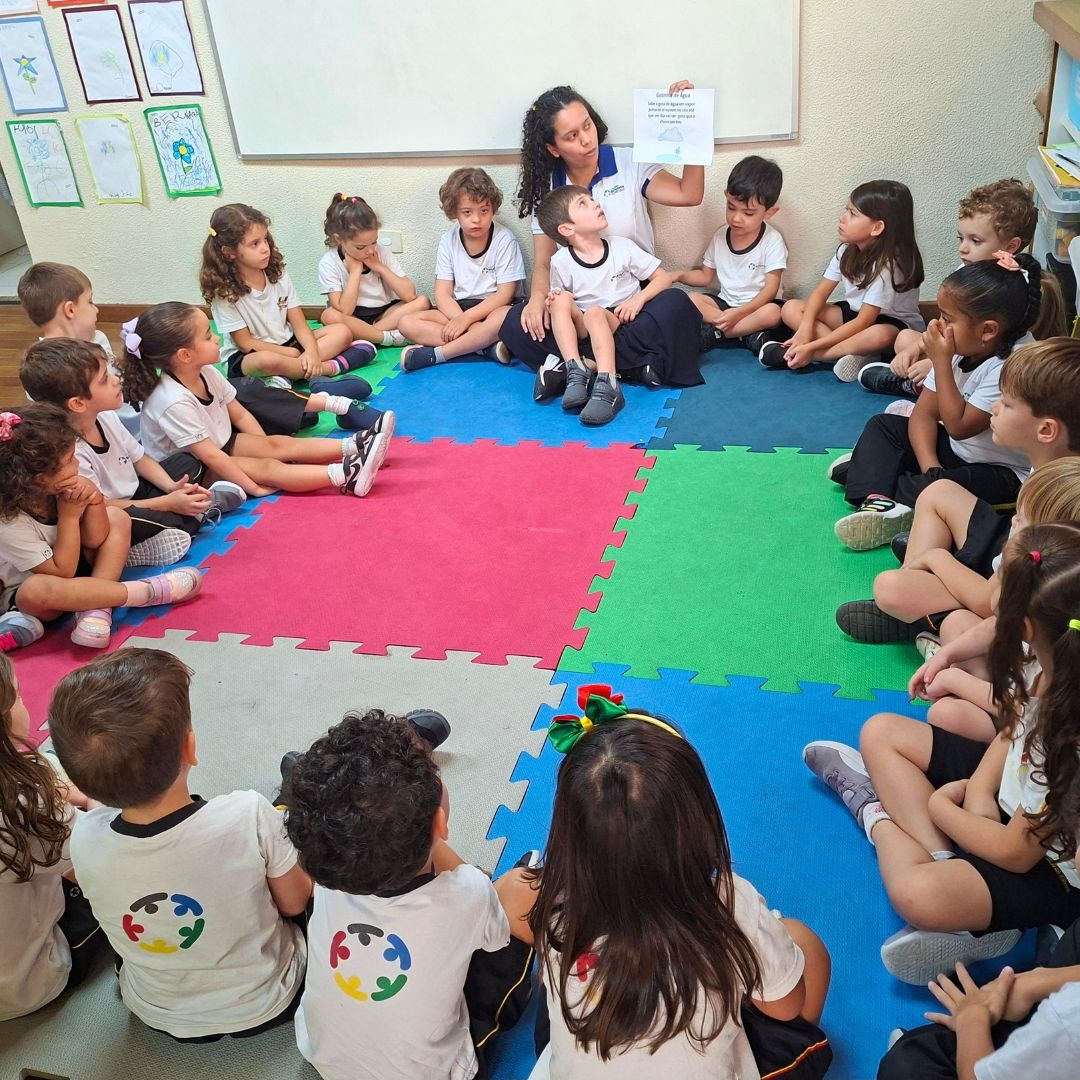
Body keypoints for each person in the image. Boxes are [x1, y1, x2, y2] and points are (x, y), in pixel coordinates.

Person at [803, 522, 1080, 986]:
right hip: (1013, 804)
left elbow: (1016, 854)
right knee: (881, 731)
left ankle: (876, 814)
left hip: (1048, 868)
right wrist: (981, 790)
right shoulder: (1051, 658)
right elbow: (1014, 730)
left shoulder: (1067, 731)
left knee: (917, 894)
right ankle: (950, 869)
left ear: (1026, 626)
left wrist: (941, 809)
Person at [528, 685, 832, 1078]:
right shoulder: (731, 904)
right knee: (808, 948)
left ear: (568, 833)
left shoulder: (554, 902)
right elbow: (786, 1008)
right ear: (696, 820)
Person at [48, 648, 311, 1040]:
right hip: (269, 999)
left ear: (78, 781)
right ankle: (294, 795)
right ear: (190, 748)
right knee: (308, 857)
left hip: (158, 1012)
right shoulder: (247, 813)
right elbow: (294, 903)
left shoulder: (83, 838)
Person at [284, 709, 536, 1080]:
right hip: (436, 1072)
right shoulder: (467, 895)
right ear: (441, 823)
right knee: (526, 892)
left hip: (322, 1055)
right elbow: (494, 917)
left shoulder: (330, 869)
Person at [837, 337, 1080, 642]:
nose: (993, 407)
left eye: (1006, 404)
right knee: (939, 491)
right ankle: (925, 597)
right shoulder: (1049, 466)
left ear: (1046, 430)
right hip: (1009, 560)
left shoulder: (1053, 498)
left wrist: (937, 558)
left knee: (891, 588)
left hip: (1007, 598)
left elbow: (992, 602)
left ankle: (925, 616)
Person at [498, 83, 705, 387]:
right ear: (553, 148)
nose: (586, 139)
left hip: (632, 304)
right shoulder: (548, 188)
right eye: (572, 136)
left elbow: (689, 194)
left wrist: (694, 128)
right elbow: (543, 262)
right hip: (581, 312)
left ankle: (582, 364)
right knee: (517, 323)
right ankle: (633, 364)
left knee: (678, 305)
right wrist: (537, 300)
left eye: (587, 126)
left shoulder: (628, 162)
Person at [831, 253, 1040, 552]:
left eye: (947, 319)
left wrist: (940, 362)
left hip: (1000, 473)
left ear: (988, 330)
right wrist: (931, 467)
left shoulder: (1010, 365)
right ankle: (879, 498)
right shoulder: (961, 346)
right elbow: (924, 415)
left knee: (931, 487)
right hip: (955, 455)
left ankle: (875, 478)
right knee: (883, 426)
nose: (937, 325)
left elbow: (959, 427)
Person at [119, 303, 389, 500]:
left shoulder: (207, 372)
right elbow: (211, 457)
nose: (217, 338)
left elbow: (240, 415)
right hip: (193, 468)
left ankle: (354, 446)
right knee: (269, 468)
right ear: (185, 356)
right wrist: (255, 486)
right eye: (208, 336)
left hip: (219, 444)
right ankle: (346, 475)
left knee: (279, 445)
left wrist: (266, 447)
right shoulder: (172, 400)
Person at [20, 337, 247, 568]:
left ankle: (190, 513)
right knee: (150, 519)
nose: (116, 380)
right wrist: (168, 503)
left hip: (137, 494)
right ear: (78, 403)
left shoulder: (106, 417)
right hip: (112, 512)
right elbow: (102, 506)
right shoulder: (71, 450)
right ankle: (182, 520)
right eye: (104, 380)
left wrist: (172, 488)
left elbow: (140, 458)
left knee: (187, 462)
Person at [0, 403, 203, 651]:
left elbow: (95, 538)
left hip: (80, 567)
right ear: (41, 479)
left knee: (117, 517)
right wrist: (69, 517)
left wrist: (93, 497)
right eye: (70, 460)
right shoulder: (9, 521)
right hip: (48, 589)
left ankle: (96, 610)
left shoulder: (61, 485)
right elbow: (62, 572)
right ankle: (145, 592)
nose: (77, 463)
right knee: (34, 590)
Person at [859, 178, 1065, 404]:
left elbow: (990, 351)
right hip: (958, 349)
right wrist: (917, 350)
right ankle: (921, 382)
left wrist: (936, 364)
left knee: (931, 366)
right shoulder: (966, 269)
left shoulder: (1011, 291)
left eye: (975, 241)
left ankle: (917, 387)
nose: (963, 248)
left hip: (988, 365)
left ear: (1011, 247)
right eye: (961, 238)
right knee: (905, 339)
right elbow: (945, 327)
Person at [0, 652, 104, 1020]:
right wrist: (92, 800)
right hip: (30, 983)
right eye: (17, 695)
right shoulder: (22, 805)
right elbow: (95, 862)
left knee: (45, 764)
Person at [535, 185, 675, 425]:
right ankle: (575, 369)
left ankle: (608, 384)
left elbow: (663, 278)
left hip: (619, 318)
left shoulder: (621, 246)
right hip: (585, 325)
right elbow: (563, 305)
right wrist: (553, 300)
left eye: (591, 199)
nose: (595, 203)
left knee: (596, 314)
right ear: (567, 229)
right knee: (559, 300)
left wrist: (638, 300)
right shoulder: (560, 261)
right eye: (583, 203)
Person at [759, 180, 925, 380]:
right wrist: (804, 330)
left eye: (853, 214)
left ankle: (816, 355)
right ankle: (852, 354)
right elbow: (820, 292)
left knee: (878, 335)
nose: (842, 218)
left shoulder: (888, 265)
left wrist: (811, 346)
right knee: (791, 308)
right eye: (846, 210)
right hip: (855, 316)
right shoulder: (846, 250)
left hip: (891, 325)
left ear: (877, 227)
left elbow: (865, 321)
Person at [201, 202, 376, 383]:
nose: (265, 248)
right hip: (250, 355)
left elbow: (299, 323)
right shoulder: (224, 292)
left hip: (290, 343)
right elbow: (246, 344)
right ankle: (330, 368)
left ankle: (288, 374)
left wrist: (311, 351)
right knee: (266, 361)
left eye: (265, 239)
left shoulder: (277, 273)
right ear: (229, 252)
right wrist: (292, 353)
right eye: (254, 244)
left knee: (342, 332)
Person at [399, 168, 525, 371]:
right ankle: (485, 348)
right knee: (406, 323)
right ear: (454, 212)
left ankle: (438, 355)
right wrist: (461, 319)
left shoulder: (504, 239)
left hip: (493, 309)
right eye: (467, 212)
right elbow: (442, 294)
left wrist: (467, 320)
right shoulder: (448, 240)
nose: (477, 219)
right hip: (458, 310)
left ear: (493, 208)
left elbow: (505, 294)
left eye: (484, 211)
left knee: (506, 316)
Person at [673, 155, 787, 353]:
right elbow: (705, 276)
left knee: (774, 313)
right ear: (726, 196)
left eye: (748, 213)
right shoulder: (720, 236)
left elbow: (770, 290)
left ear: (769, 212)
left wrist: (740, 313)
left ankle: (718, 334)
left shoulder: (772, 240)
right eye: (731, 207)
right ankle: (746, 334)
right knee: (692, 299)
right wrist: (676, 275)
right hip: (726, 305)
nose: (736, 218)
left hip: (757, 307)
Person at [17, 260, 141, 437]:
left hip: (133, 421)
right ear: (70, 310)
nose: (96, 309)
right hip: (109, 438)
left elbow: (120, 379)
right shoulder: (41, 370)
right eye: (90, 301)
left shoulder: (98, 338)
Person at [318, 193, 430, 347]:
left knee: (422, 302)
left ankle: (368, 335)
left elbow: (410, 295)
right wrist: (355, 272)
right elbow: (345, 311)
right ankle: (387, 338)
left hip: (384, 315)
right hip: (353, 318)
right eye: (361, 247)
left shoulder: (380, 253)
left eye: (374, 242)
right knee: (329, 316)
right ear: (339, 240)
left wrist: (379, 267)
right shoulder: (329, 262)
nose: (370, 251)